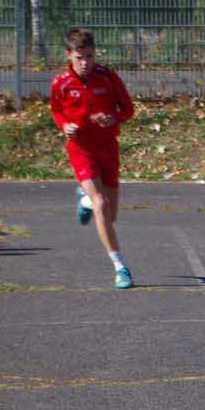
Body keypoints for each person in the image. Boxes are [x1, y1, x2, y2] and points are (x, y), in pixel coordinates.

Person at [50, 27, 136, 289]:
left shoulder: (107, 77)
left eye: (89, 56)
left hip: (108, 148)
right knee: (101, 205)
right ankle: (120, 268)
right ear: (69, 56)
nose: (85, 63)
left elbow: (128, 109)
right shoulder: (61, 83)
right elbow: (56, 112)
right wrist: (65, 126)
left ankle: (85, 199)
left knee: (110, 215)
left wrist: (114, 118)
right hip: (80, 150)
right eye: (80, 57)